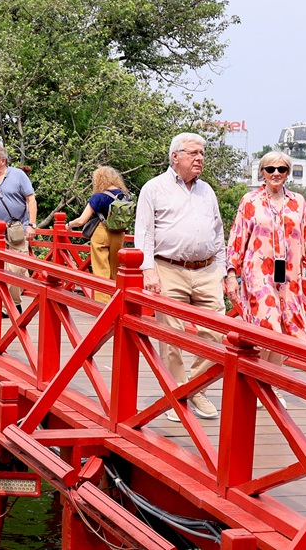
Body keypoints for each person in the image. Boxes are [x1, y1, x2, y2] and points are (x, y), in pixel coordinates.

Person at [133, 132, 226, 421]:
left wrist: (222, 269)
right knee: (170, 335)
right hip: (169, 267)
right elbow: (145, 231)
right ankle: (175, 394)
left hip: (207, 268)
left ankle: (196, 388)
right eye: (193, 153)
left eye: (202, 153)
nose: (199, 158)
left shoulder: (206, 190)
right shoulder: (154, 188)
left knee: (216, 331)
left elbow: (218, 231)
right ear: (176, 156)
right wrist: (147, 268)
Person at [225, 151, 306, 391]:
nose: (276, 173)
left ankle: (266, 383)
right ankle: (259, 380)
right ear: (262, 172)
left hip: (290, 276)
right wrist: (230, 275)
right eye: (270, 169)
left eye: (282, 169)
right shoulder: (250, 201)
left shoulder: (298, 202)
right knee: (269, 327)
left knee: (286, 330)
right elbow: (237, 238)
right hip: (258, 273)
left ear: (288, 173)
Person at [0, 144, 37, 311]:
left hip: (17, 230)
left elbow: (31, 199)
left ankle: (11, 303)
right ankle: (10, 305)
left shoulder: (18, 175)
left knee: (17, 268)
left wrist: (32, 224)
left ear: (2, 161)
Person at [67, 166, 130, 303]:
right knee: (115, 270)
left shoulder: (98, 197)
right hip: (119, 234)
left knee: (101, 270)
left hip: (102, 232)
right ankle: (117, 302)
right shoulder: (124, 196)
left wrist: (69, 225)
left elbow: (82, 220)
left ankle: (104, 306)